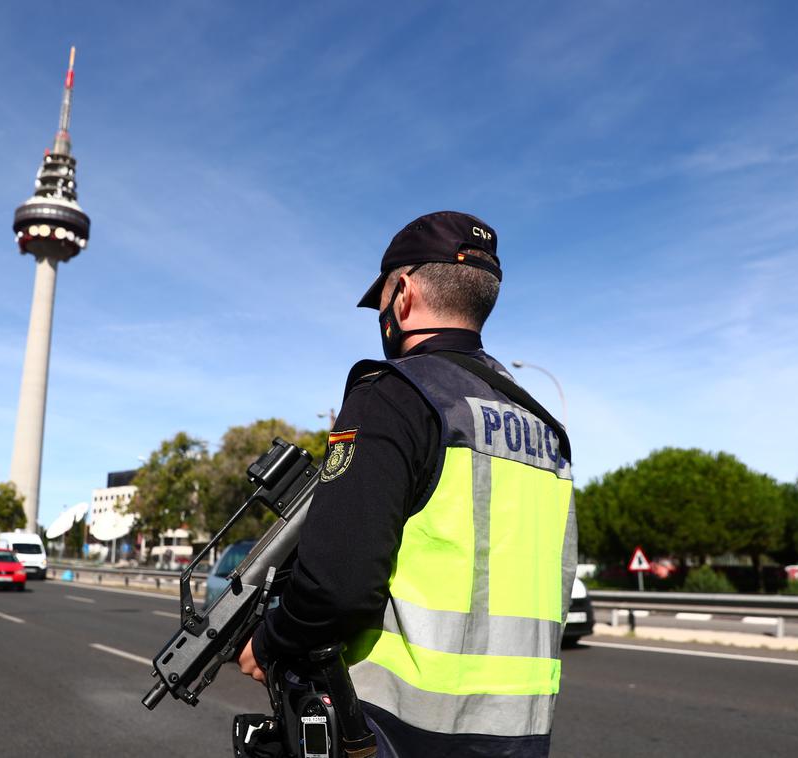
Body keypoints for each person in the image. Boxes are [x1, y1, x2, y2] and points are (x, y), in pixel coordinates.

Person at [239, 211, 578, 757]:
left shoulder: (393, 396)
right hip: (519, 736)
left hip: (397, 731)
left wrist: (273, 639)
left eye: (381, 299)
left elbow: (337, 587)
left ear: (402, 293)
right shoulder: (545, 428)